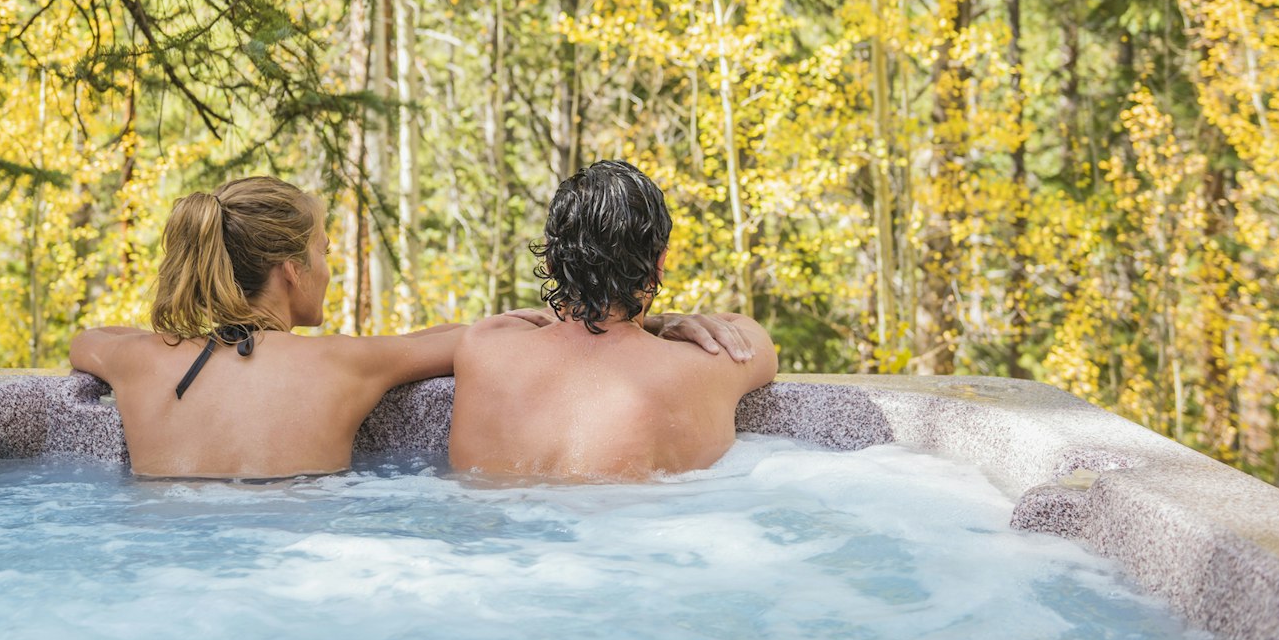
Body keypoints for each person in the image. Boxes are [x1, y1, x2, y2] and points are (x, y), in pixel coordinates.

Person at [70, 174, 740, 479]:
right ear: (291, 271)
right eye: (325, 252)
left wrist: (155, 339)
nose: (331, 267)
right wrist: (645, 310)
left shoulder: (135, 359)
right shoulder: (344, 363)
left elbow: (85, 341)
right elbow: (482, 334)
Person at [448, 160, 777, 480]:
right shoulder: (703, 368)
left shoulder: (485, 346)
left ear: (550, 259)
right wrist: (661, 322)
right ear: (659, 264)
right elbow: (756, 343)